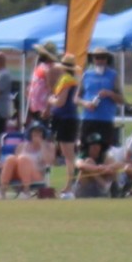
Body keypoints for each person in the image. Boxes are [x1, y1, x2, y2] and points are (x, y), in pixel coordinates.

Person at [48, 54, 80, 199]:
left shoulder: (67, 81)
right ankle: (69, 184)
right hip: (66, 119)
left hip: (65, 119)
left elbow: (60, 102)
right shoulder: (71, 80)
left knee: (68, 155)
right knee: (67, 154)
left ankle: (69, 185)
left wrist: (51, 100)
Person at [77, 47, 124, 147]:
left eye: (103, 58)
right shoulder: (86, 75)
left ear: (107, 59)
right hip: (88, 118)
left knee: (104, 150)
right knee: (85, 147)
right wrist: (85, 103)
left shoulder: (113, 75)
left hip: (106, 119)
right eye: (97, 58)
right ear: (93, 59)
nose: (100, 60)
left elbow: (121, 100)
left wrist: (110, 94)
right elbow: (76, 98)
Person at [0, 122, 55, 200]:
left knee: (23, 159)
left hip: (36, 175)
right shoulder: (22, 146)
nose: (37, 134)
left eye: (39, 132)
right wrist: (1, 165)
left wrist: (42, 144)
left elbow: (49, 162)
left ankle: (26, 191)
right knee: (10, 158)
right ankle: (2, 192)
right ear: (30, 133)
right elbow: (15, 162)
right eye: (34, 131)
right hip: (19, 174)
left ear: (43, 134)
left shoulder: (49, 146)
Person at [74, 132, 120, 198]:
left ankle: (115, 190)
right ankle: (105, 187)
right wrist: (98, 169)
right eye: (93, 145)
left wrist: (107, 168)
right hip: (82, 188)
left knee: (111, 165)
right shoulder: (82, 155)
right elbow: (80, 165)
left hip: (97, 188)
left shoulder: (104, 155)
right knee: (89, 161)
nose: (96, 147)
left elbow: (118, 164)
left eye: (98, 144)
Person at [28, 42, 60, 126]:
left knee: (43, 133)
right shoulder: (41, 66)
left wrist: (48, 109)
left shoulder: (50, 68)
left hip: (43, 109)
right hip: (35, 108)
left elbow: (52, 90)